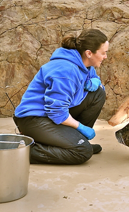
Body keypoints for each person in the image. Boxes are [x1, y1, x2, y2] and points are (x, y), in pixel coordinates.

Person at [13, 29, 109, 165]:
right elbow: (56, 111)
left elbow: (95, 82)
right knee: (82, 152)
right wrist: (80, 127)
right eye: (103, 53)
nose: (105, 56)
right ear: (89, 53)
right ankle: (21, 150)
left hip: (50, 115)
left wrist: (95, 82)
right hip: (34, 119)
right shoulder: (66, 70)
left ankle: (73, 142)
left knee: (97, 94)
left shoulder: (85, 65)